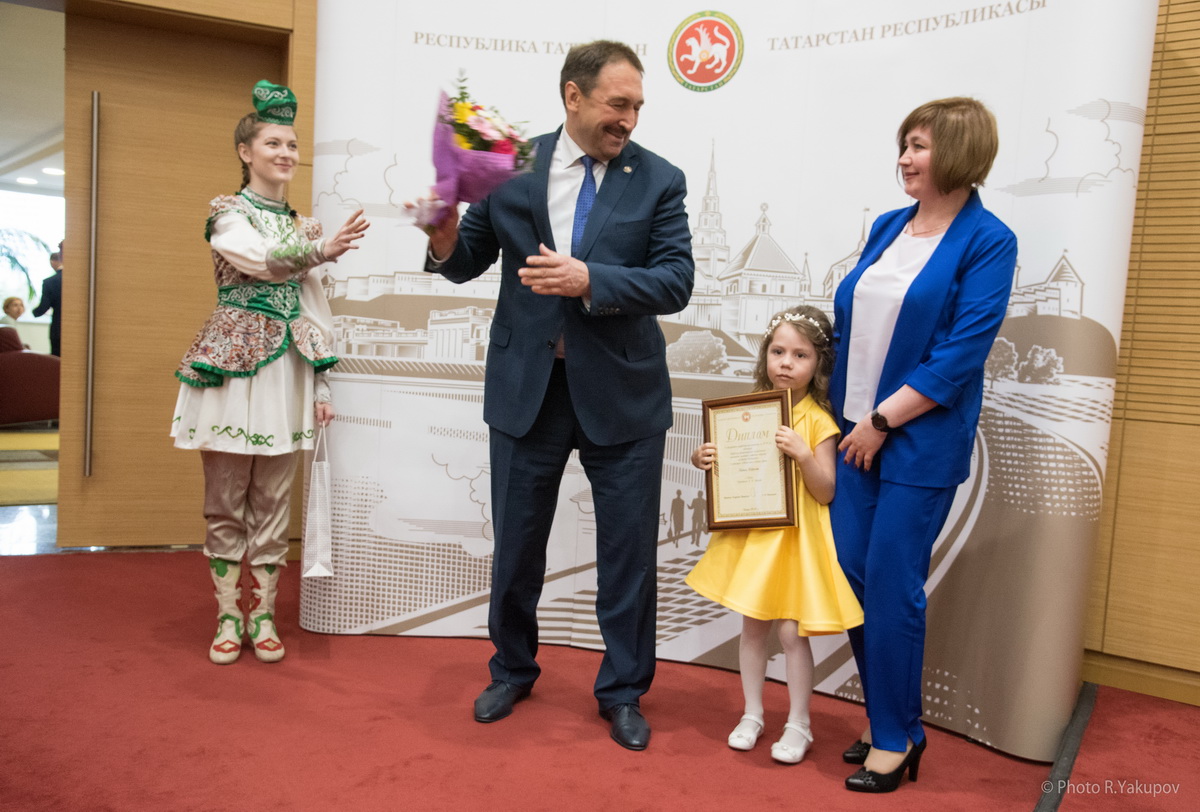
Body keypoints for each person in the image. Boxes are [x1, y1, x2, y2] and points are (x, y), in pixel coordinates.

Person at [424, 40, 694, 750]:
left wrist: (591, 280)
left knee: (628, 557)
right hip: (528, 392)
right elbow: (464, 261)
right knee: (516, 549)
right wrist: (443, 233)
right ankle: (512, 669)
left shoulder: (660, 180)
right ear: (573, 96)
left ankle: (624, 691)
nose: (629, 119)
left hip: (625, 398)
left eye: (637, 106)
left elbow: (675, 280)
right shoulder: (508, 166)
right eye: (617, 103)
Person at [829, 97, 1017, 793]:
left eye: (919, 146)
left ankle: (892, 738)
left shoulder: (989, 240)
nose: (904, 158)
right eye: (904, 144)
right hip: (854, 435)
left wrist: (882, 422)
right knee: (854, 576)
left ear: (960, 154)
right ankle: (894, 720)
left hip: (915, 441)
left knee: (891, 584)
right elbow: (854, 324)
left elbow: (961, 352)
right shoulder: (889, 225)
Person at [170, 80, 368, 666]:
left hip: (287, 371)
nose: (286, 153)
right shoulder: (228, 214)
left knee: (275, 500)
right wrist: (321, 252)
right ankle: (228, 613)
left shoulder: (307, 228)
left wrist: (323, 382)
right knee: (226, 498)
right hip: (231, 368)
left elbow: (316, 312)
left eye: (292, 144)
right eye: (273, 143)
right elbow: (256, 261)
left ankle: (263, 615)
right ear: (246, 151)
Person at [687, 305, 863, 765]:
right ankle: (752, 714)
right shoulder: (747, 411)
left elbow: (825, 491)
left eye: (800, 355)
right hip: (757, 537)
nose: (786, 363)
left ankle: (799, 722)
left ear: (818, 364)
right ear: (765, 354)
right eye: (778, 351)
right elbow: (732, 469)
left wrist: (804, 454)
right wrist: (704, 458)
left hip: (797, 543)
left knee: (790, 633)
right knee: (752, 626)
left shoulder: (819, 421)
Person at [31, 251, 62, 356]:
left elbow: (44, 306)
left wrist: (33, 313)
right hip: (78, 328)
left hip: (58, 327)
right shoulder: (77, 280)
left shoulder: (50, 282)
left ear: (52, 262)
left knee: (57, 360)